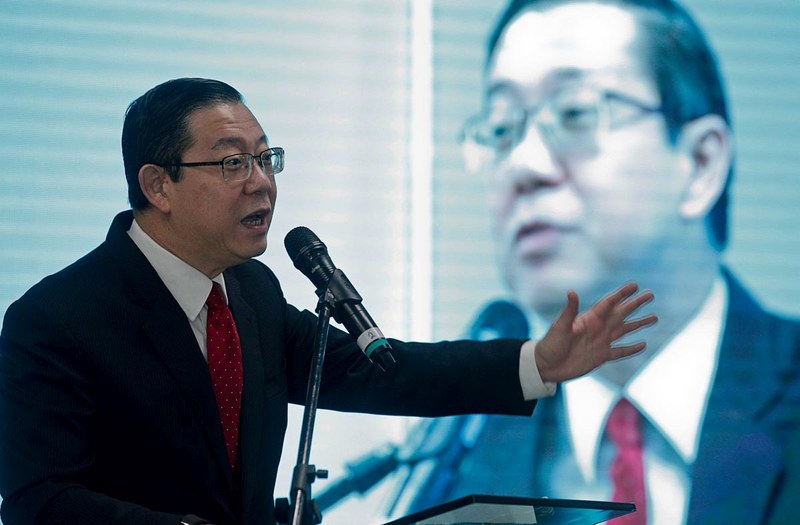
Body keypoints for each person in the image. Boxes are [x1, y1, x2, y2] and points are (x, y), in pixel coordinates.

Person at [0, 77, 657, 525]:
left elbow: (386, 374)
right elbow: (39, 499)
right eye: (232, 163)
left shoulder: (252, 293)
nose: (262, 183)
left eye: (267, 159)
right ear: (158, 185)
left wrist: (535, 361)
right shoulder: (56, 320)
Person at [389, 1, 800, 524]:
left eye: (575, 113)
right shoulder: (456, 465)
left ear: (700, 164)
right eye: (501, 129)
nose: (524, 165)